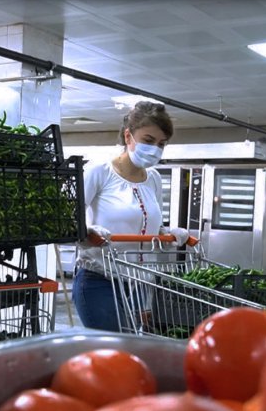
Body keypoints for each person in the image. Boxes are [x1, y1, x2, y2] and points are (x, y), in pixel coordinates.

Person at [73, 101, 189, 332]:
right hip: (100, 281)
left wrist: (167, 234)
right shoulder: (99, 172)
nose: (155, 148)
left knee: (132, 353)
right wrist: (88, 232)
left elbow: (151, 227)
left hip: (140, 284)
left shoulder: (153, 178)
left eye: (161, 144)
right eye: (148, 141)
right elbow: (68, 222)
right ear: (128, 136)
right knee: (114, 353)